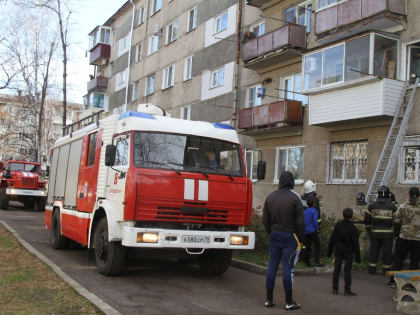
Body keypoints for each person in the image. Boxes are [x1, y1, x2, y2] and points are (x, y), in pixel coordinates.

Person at [263, 170, 305, 311]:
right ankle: (288, 301)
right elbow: (300, 222)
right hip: (290, 236)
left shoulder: (270, 197)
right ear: (292, 181)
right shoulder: (295, 198)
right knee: (288, 268)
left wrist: (271, 232)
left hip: (275, 234)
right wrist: (301, 239)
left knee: (272, 266)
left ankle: (269, 299)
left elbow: (265, 220)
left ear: (280, 181)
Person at [388, 186, 420, 288]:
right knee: (414, 261)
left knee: (398, 259)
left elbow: (396, 222)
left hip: (403, 237)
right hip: (417, 238)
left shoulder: (402, 206)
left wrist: (396, 235)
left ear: (409, 195)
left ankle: (394, 281)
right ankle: (411, 283)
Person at [327, 207, 361, 296]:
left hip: (338, 250)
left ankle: (335, 288)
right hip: (348, 251)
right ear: (352, 216)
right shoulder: (353, 228)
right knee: (347, 270)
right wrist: (358, 256)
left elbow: (332, 239)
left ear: (343, 215)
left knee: (337, 269)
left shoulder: (338, 225)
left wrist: (329, 251)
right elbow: (356, 243)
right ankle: (347, 289)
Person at [364, 185, 397, 275]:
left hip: (375, 233)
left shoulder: (372, 206)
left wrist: (368, 229)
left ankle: (372, 269)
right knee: (387, 252)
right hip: (388, 234)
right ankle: (386, 270)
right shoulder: (393, 207)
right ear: (388, 195)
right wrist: (396, 233)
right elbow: (396, 221)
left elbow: (367, 219)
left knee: (374, 251)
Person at [301, 180, 323, 267]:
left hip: (304, 227)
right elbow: (317, 215)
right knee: (317, 245)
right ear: (313, 187)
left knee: (305, 244)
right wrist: (319, 226)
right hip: (312, 228)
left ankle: (302, 258)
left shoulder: (302, 197)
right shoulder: (314, 200)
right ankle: (317, 261)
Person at [301, 199, 319, 267]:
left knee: (307, 246)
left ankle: (306, 261)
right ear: (314, 204)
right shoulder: (314, 211)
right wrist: (317, 229)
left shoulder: (305, 211)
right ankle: (317, 260)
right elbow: (315, 221)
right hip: (312, 231)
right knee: (317, 245)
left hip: (306, 231)